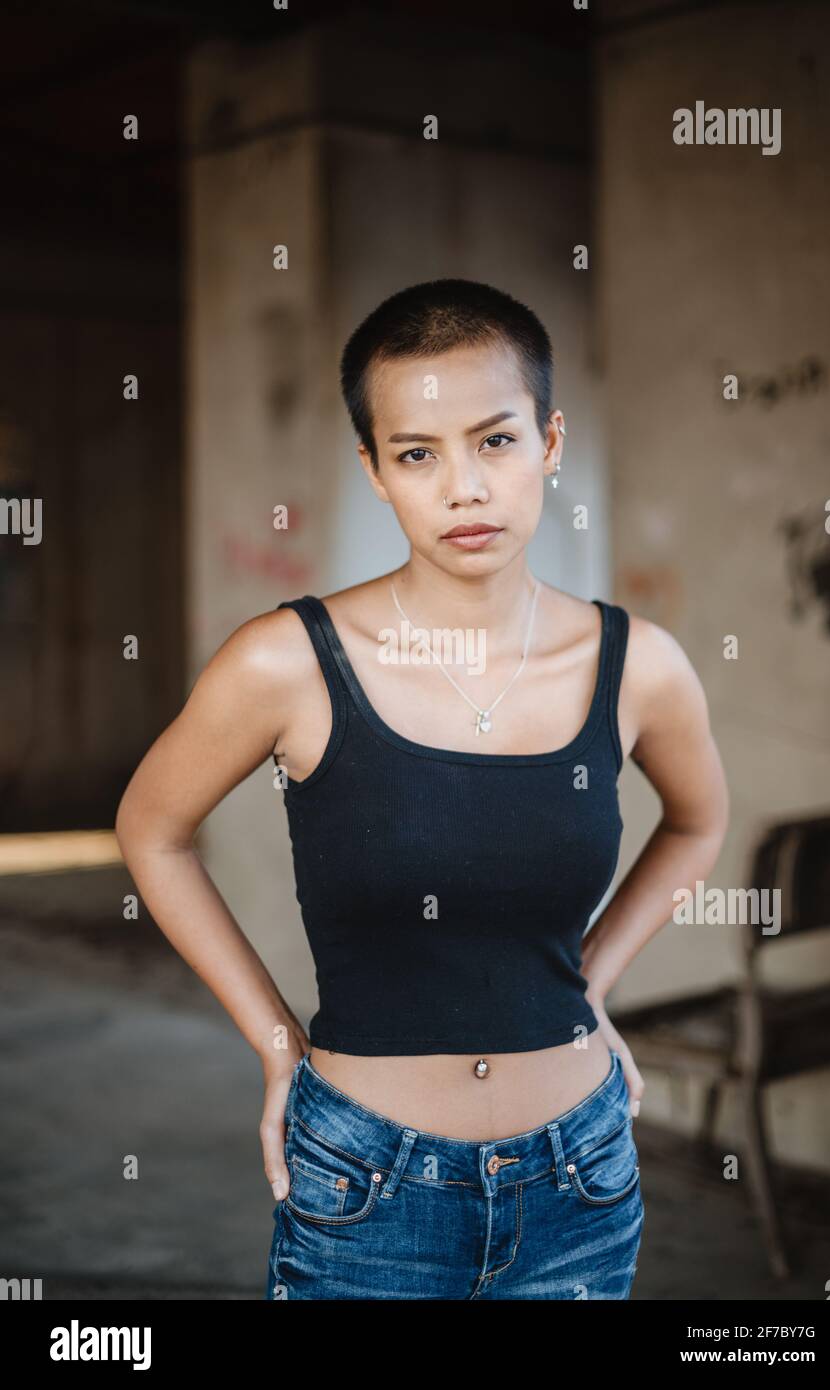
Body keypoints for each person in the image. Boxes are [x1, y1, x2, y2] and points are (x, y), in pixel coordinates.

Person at [115, 278, 728, 1300]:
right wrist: (277, 1045)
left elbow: (698, 822)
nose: (464, 488)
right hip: (368, 1190)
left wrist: (588, 983)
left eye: (495, 440)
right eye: (416, 453)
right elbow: (152, 828)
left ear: (550, 440)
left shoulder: (641, 665)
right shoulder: (287, 662)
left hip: (579, 1181)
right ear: (374, 471)